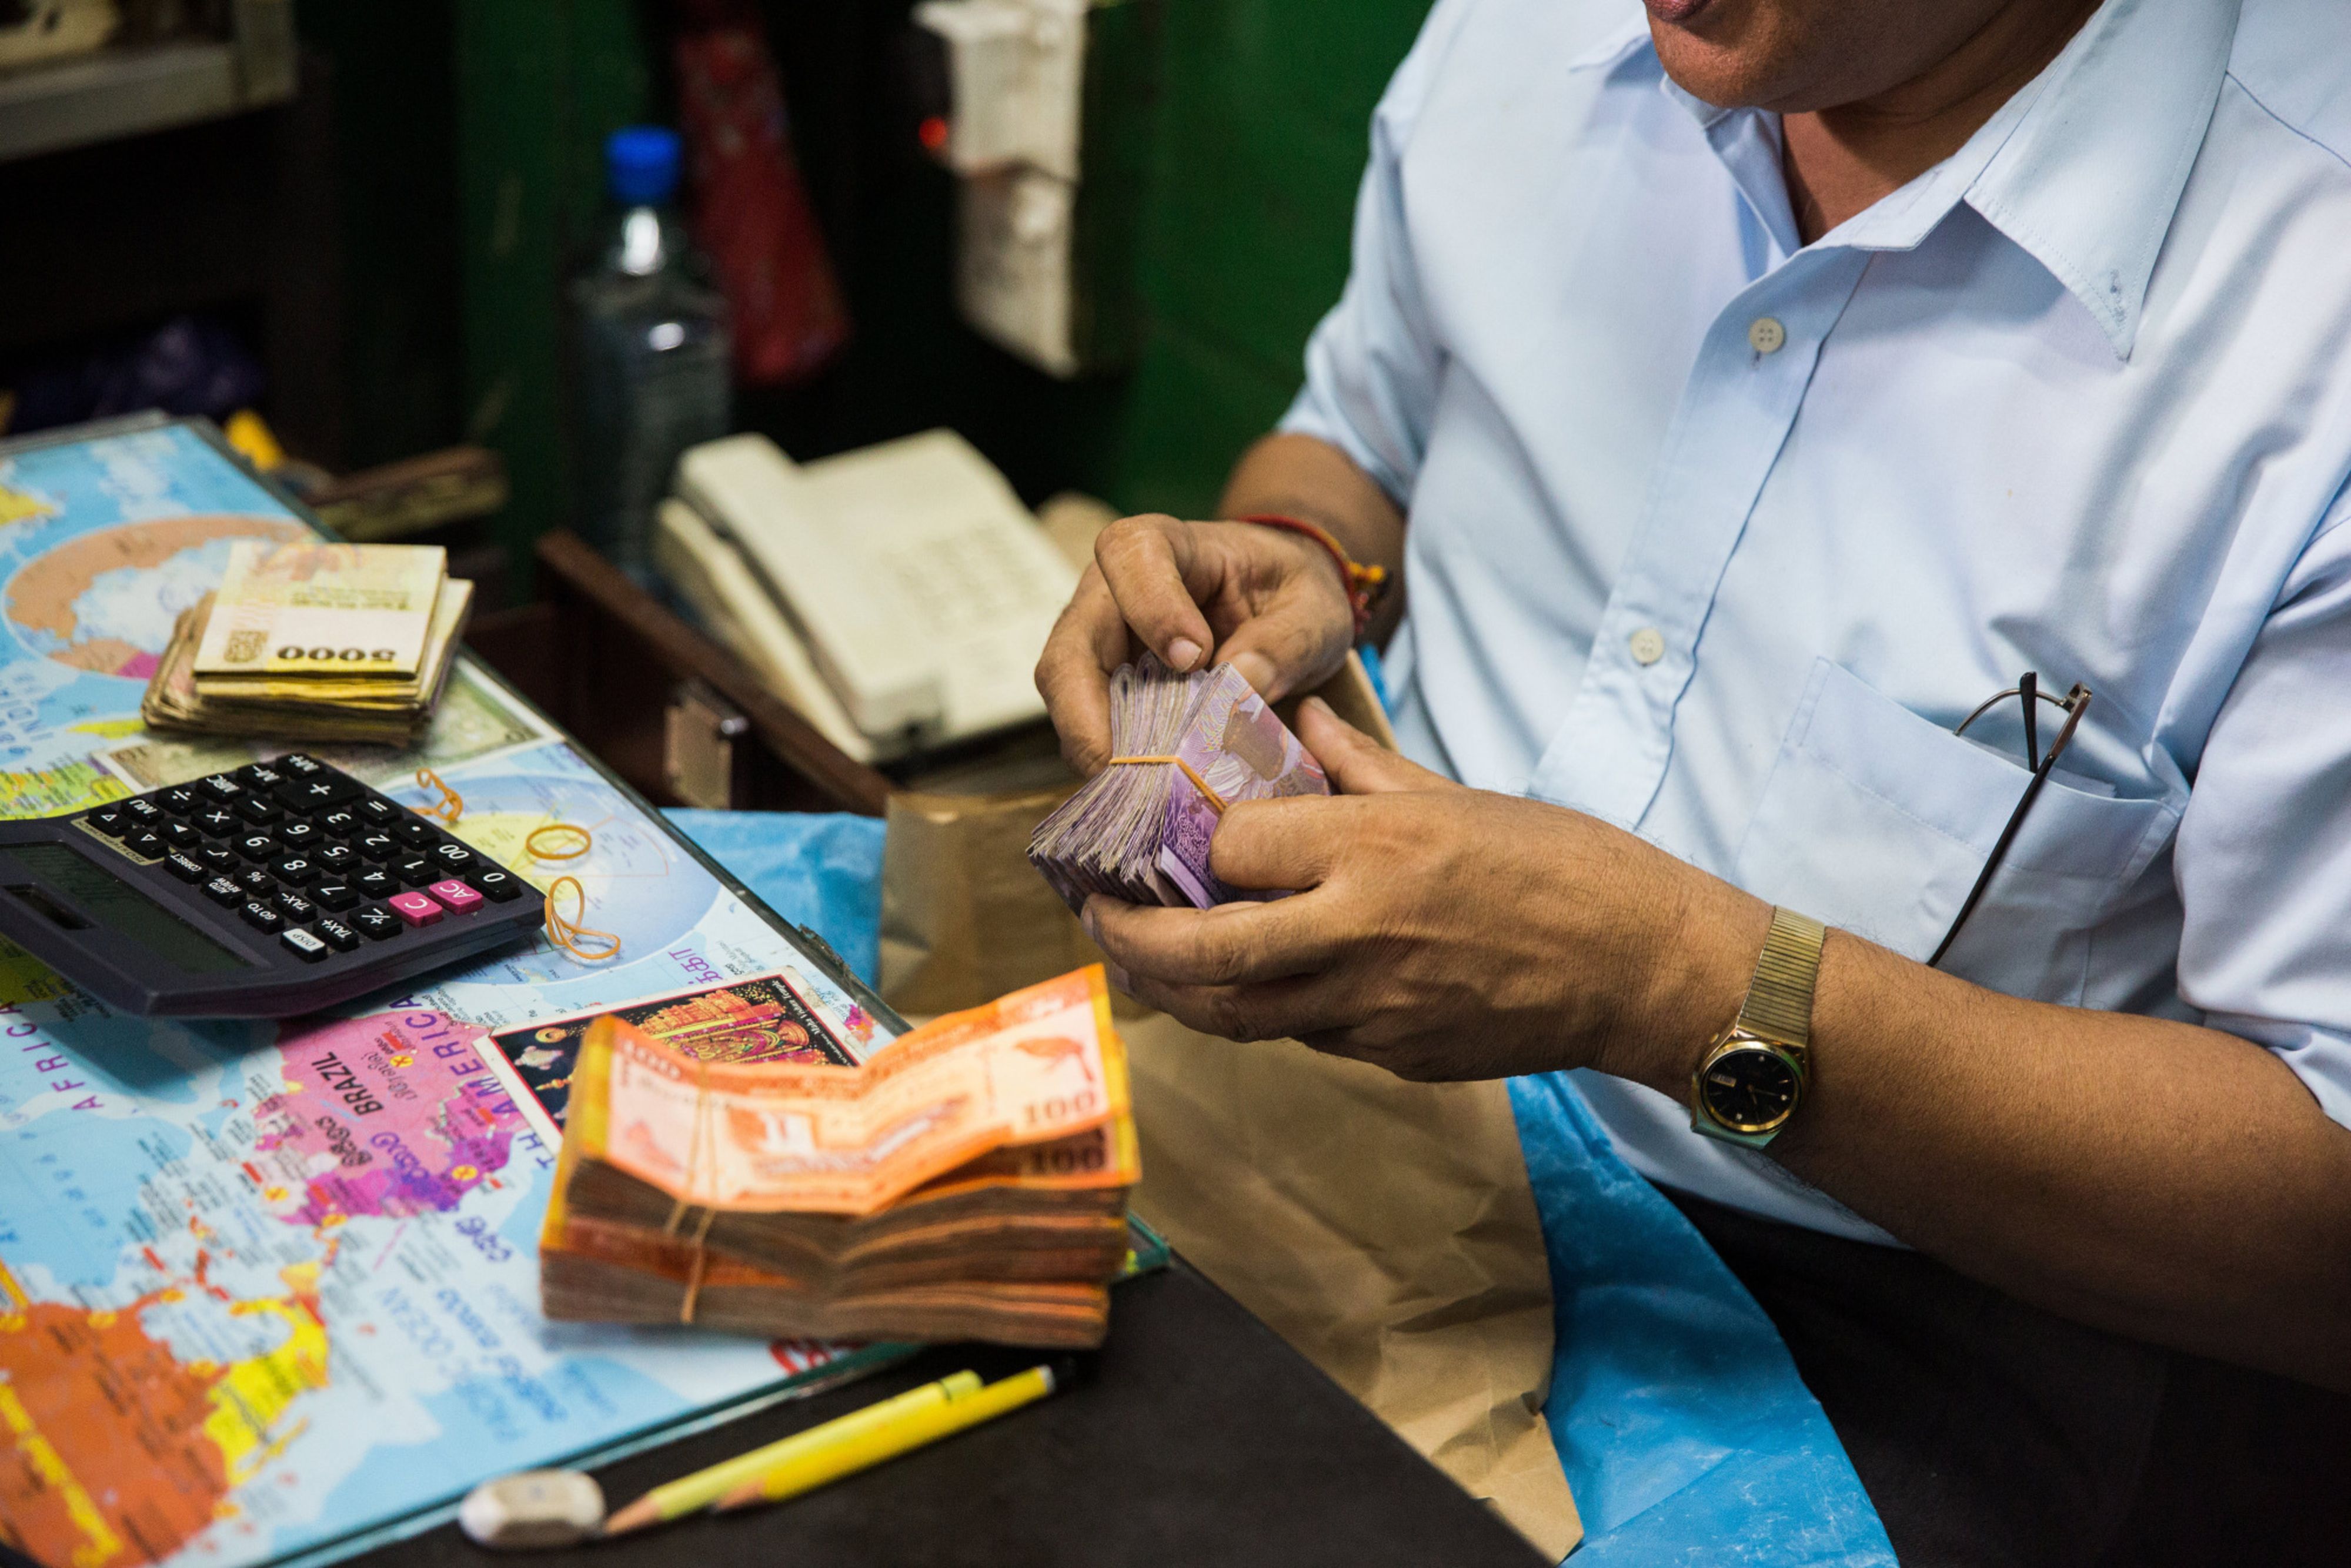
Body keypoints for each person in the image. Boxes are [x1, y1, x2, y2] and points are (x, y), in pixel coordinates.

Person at [1033, 0, 2351, 1561]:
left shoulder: (2305, 321)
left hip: (1880, 1321)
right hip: (1335, 1122)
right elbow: (1356, 437)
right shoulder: (1537, 40)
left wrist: (1663, 981)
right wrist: (1311, 563)